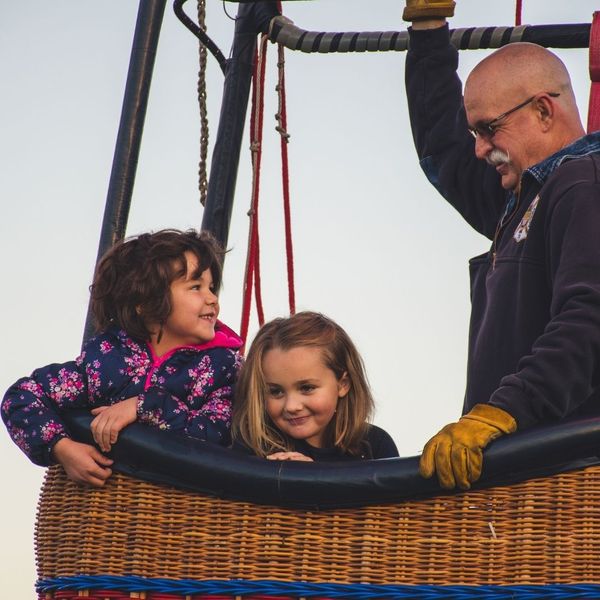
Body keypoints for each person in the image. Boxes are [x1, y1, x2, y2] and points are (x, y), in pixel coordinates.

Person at [402, 0, 600, 490]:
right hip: (525, 471)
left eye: (489, 129)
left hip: (565, 476)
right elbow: (444, 153)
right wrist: (428, 29)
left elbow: (590, 318)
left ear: (543, 110)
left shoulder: (584, 184)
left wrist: (502, 413)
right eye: (475, 131)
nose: (478, 147)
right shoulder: (523, 200)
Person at [2, 229, 243, 487]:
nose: (212, 298)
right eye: (196, 287)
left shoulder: (223, 368)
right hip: (106, 515)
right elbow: (22, 396)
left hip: (182, 515)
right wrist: (62, 447)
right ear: (146, 301)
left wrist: (143, 406)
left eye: (212, 287)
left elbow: (217, 434)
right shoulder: (107, 360)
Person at [231, 311, 398, 461]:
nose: (291, 406)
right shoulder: (253, 448)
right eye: (276, 391)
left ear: (343, 385)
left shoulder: (375, 447)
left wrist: (313, 482)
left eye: (307, 388)